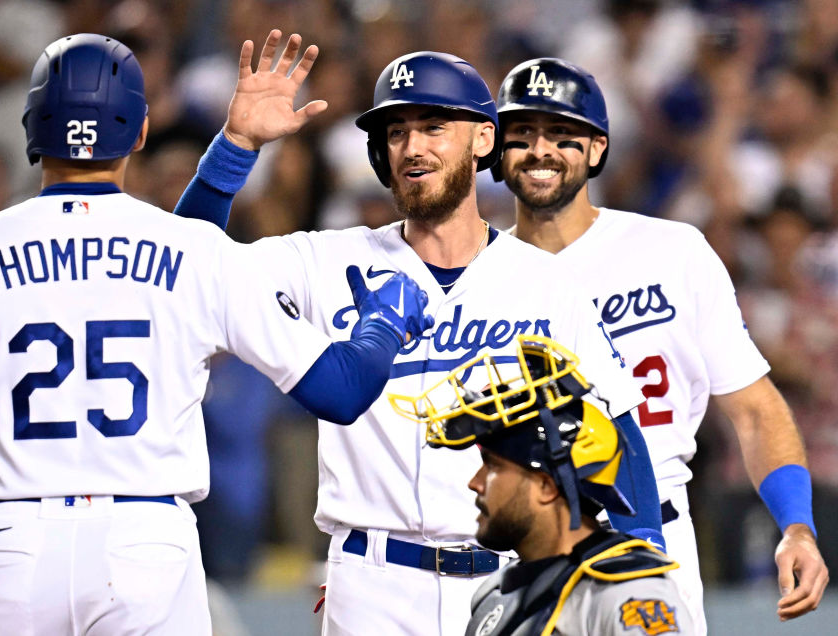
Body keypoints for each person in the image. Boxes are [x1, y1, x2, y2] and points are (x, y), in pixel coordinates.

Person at [0, 33, 435, 636]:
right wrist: (383, 322)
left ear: (31, 129)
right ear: (139, 130)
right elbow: (341, 391)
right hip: (144, 547)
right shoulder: (195, 254)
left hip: (11, 550)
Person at [174, 32, 664, 635]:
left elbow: (618, 427)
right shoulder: (324, 260)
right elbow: (186, 269)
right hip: (371, 579)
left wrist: (644, 570)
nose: (411, 147)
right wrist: (237, 146)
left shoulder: (547, 283)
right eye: (397, 131)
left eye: (433, 127)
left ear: (483, 139)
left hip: (507, 576)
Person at [490, 57, 829, 631]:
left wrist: (796, 524)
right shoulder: (475, 272)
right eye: (521, 135)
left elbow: (753, 409)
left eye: (562, 135)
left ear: (597, 148)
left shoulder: (672, 252)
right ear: (495, 150)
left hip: (651, 538)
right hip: (517, 551)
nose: (540, 150)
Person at [401, 334, 693, 635]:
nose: (475, 483)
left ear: (546, 486)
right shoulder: (495, 595)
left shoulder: (630, 593)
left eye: (493, 466)